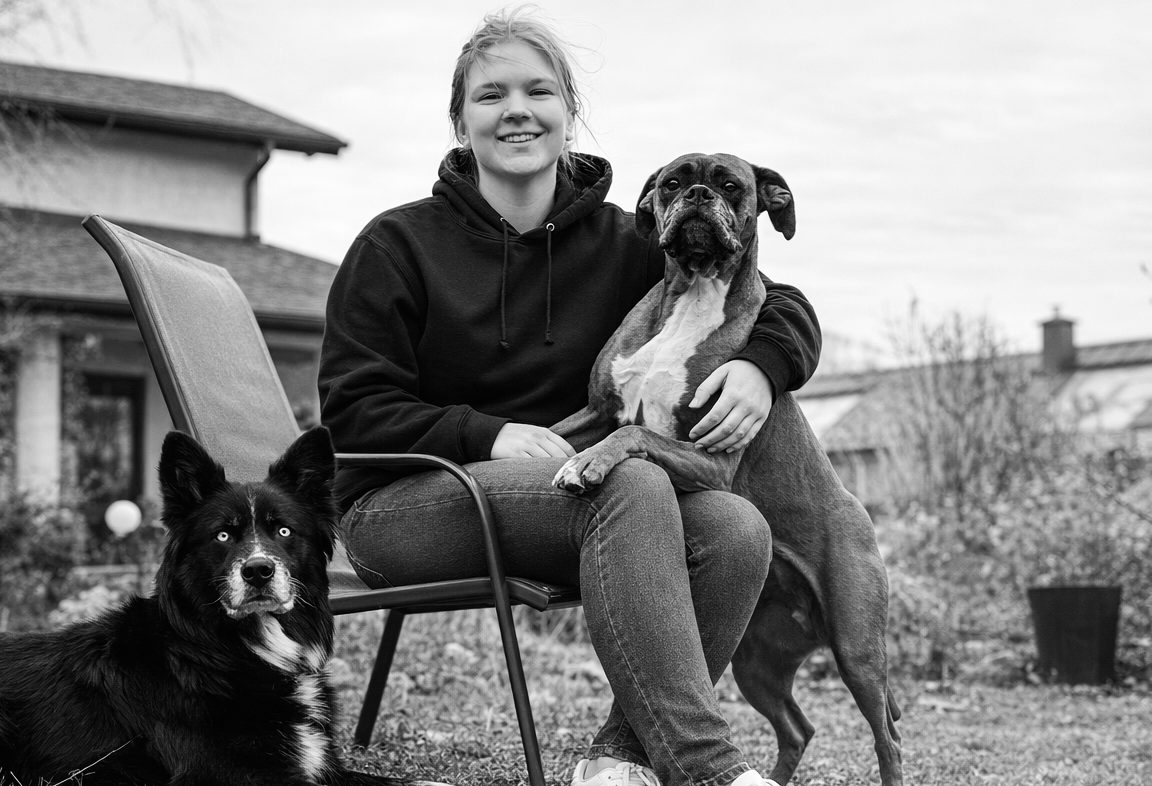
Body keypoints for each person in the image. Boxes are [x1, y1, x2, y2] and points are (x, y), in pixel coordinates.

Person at [319, 9, 820, 786]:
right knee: (631, 478)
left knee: (734, 528)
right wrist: (488, 435)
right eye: (490, 95)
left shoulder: (629, 242)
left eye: (537, 91)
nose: (516, 110)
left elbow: (772, 297)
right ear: (460, 120)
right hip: (406, 505)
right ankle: (707, 768)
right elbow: (352, 413)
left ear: (567, 111)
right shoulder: (397, 245)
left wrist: (763, 364)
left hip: (570, 497)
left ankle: (616, 762)